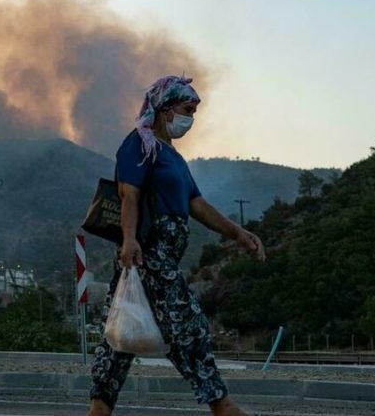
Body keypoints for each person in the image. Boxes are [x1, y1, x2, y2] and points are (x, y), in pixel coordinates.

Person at [87, 75, 266, 416]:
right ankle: (222, 405)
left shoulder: (171, 155)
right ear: (165, 108)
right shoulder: (139, 143)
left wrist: (237, 233)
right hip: (148, 254)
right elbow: (129, 194)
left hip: (161, 254)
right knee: (187, 326)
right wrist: (129, 239)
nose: (192, 117)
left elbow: (196, 203)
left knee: (121, 334)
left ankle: (99, 409)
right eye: (187, 109)